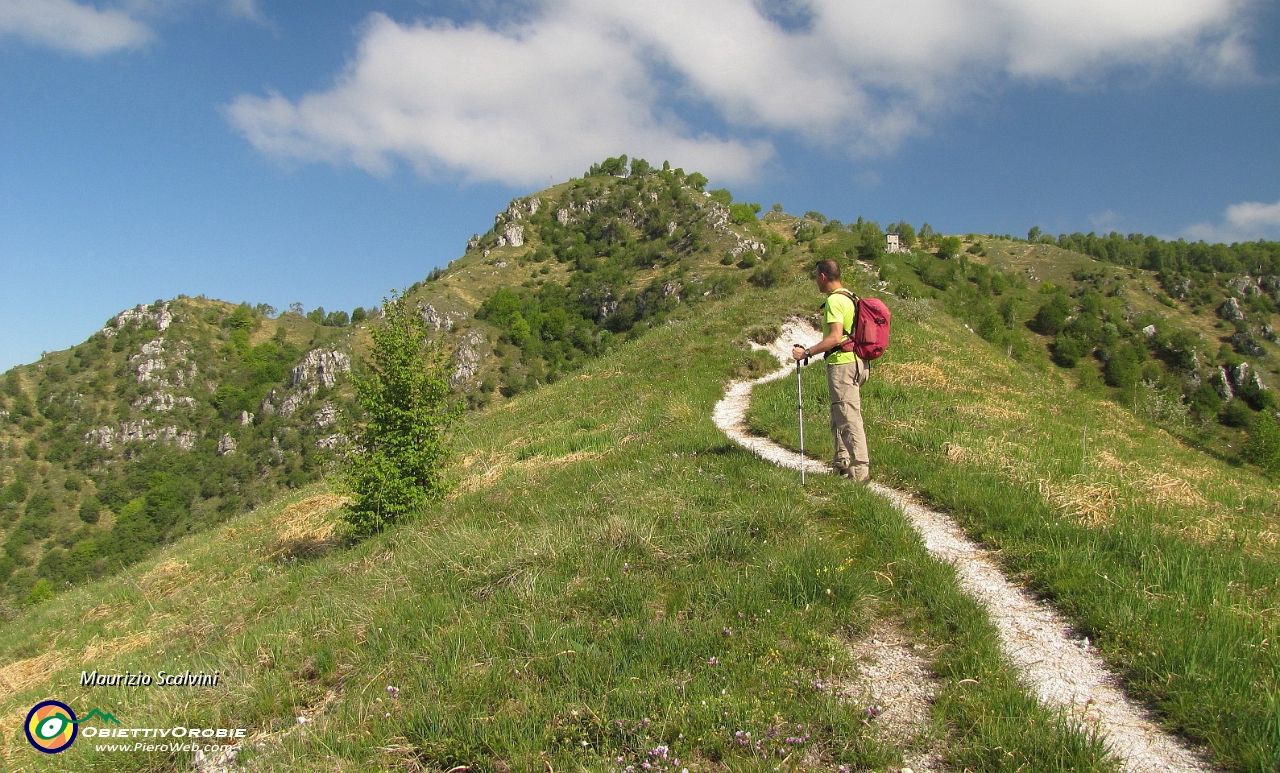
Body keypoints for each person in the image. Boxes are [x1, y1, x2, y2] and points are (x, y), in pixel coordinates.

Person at [791, 259, 870, 482]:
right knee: (839, 413)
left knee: (848, 416)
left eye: (816, 276)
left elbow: (835, 337)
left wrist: (807, 353)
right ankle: (841, 463)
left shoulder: (835, 301)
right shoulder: (850, 297)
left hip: (843, 363)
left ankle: (860, 470)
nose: (816, 281)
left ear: (823, 277)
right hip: (858, 362)